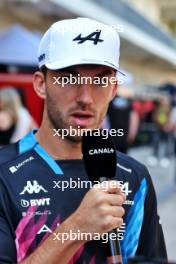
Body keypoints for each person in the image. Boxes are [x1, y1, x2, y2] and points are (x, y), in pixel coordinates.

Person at [0, 18, 167, 264]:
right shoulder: (4, 173)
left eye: (100, 80)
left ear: (113, 89)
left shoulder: (134, 176)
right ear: (40, 84)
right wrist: (76, 229)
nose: (86, 97)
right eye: (69, 78)